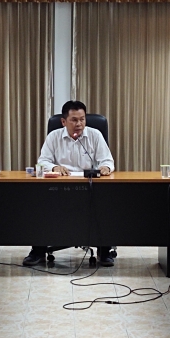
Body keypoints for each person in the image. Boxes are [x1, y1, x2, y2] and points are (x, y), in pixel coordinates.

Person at [23, 100, 115, 267]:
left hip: (89, 187)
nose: (79, 124)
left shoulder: (95, 135)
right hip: (59, 188)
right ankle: (38, 251)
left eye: (82, 119)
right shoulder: (54, 137)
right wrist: (54, 167)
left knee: (106, 202)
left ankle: (104, 251)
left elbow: (107, 160)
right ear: (63, 121)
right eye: (74, 120)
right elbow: (42, 161)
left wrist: (105, 167)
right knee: (38, 202)